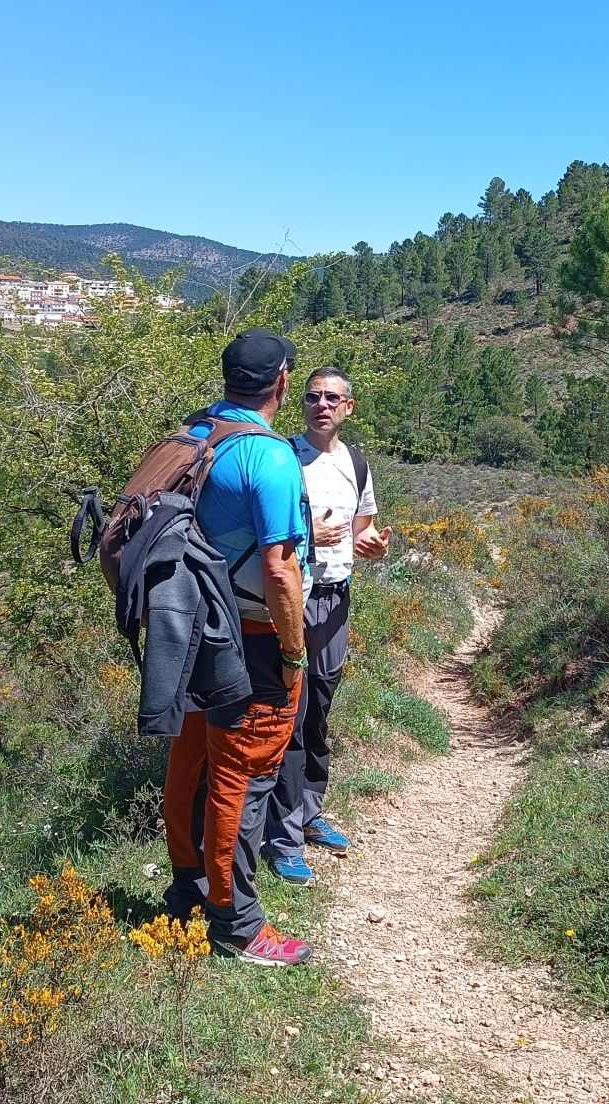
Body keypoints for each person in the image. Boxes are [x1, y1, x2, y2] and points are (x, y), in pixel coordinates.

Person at [160, 328, 315, 965]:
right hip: (250, 637)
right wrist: (295, 651)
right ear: (281, 383)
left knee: (191, 759)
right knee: (243, 775)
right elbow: (280, 571)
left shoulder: (196, 435)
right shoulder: (269, 456)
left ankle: (188, 891)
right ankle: (238, 924)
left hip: (188, 627)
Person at [264, 367, 391, 884]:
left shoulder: (356, 464)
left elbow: (363, 530)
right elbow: (262, 536)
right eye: (313, 396)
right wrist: (306, 533)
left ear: (348, 408)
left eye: (332, 397)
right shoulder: (282, 458)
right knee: (287, 716)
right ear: (301, 402)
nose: (322, 404)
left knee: (318, 711)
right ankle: (283, 836)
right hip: (292, 600)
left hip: (335, 600)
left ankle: (310, 811)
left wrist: (376, 547)